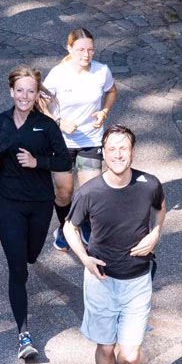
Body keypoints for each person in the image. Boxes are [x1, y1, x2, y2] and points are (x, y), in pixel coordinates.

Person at [62, 125, 166, 364]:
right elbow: (70, 228)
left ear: (132, 152)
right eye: (112, 149)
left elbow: (160, 208)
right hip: (101, 280)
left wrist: (156, 233)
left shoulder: (149, 184)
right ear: (104, 154)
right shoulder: (89, 192)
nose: (118, 154)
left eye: (124, 148)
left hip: (137, 279)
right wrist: (84, 259)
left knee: (130, 355)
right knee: (106, 346)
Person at [0, 66, 70, 360]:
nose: (24, 96)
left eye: (30, 91)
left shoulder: (46, 126)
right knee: (18, 267)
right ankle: (24, 335)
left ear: (36, 94)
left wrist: (38, 162)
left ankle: (28, 257)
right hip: (8, 201)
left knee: (31, 254)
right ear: (11, 91)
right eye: (19, 90)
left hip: (40, 203)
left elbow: (64, 162)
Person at [43, 28, 118, 251]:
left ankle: (82, 224)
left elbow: (112, 91)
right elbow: (40, 102)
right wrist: (58, 122)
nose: (86, 55)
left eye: (91, 50)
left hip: (90, 141)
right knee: (64, 192)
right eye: (81, 50)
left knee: (89, 192)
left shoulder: (101, 71)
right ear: (69, 49)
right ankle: (66, 228)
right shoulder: (58, 74)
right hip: (61, 144)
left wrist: (104, 111)